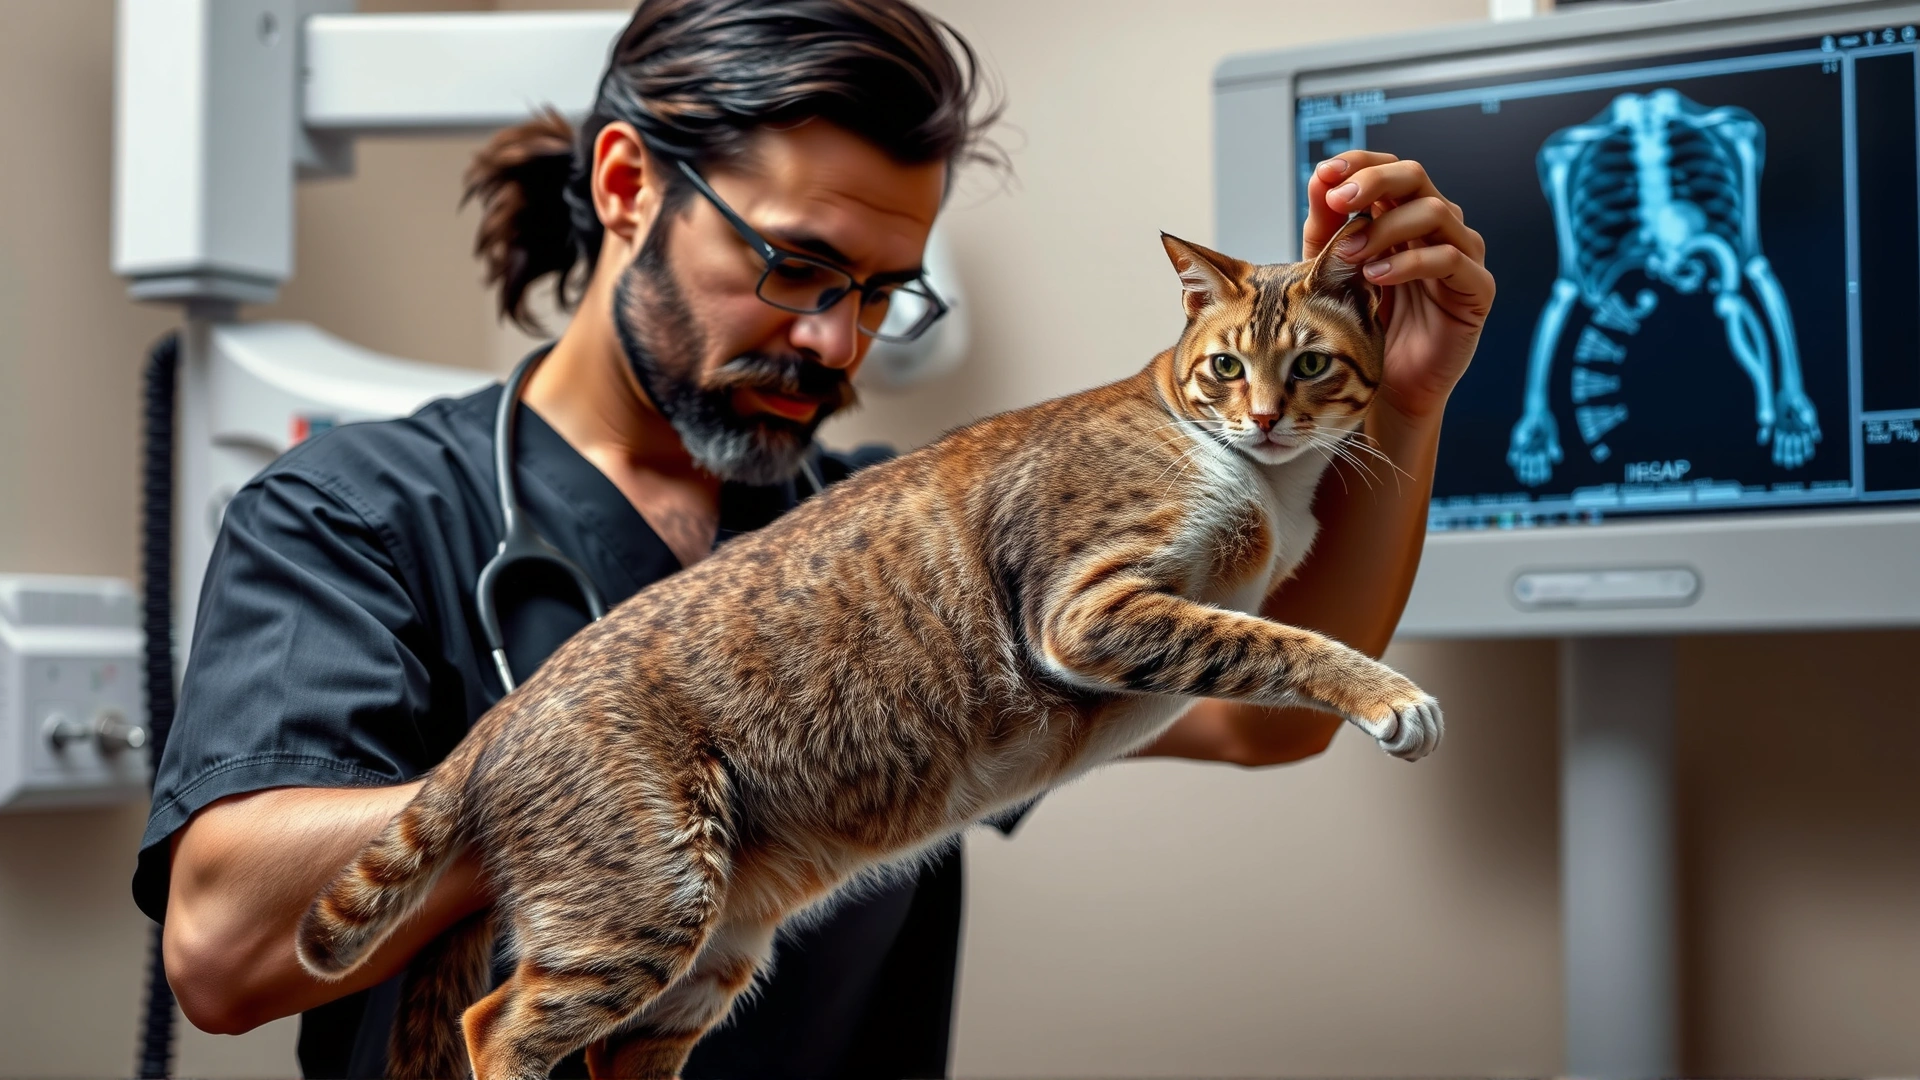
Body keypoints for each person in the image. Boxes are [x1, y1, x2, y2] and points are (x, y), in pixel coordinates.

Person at [132, 0, 1493, 1076]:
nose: (836, 340)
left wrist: (1410, 404)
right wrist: (626, 776)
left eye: (881, 294)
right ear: (625, 187)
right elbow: (223, 951)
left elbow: (1272, 719)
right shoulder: (358, 511)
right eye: (795, 268)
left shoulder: (893, 534)